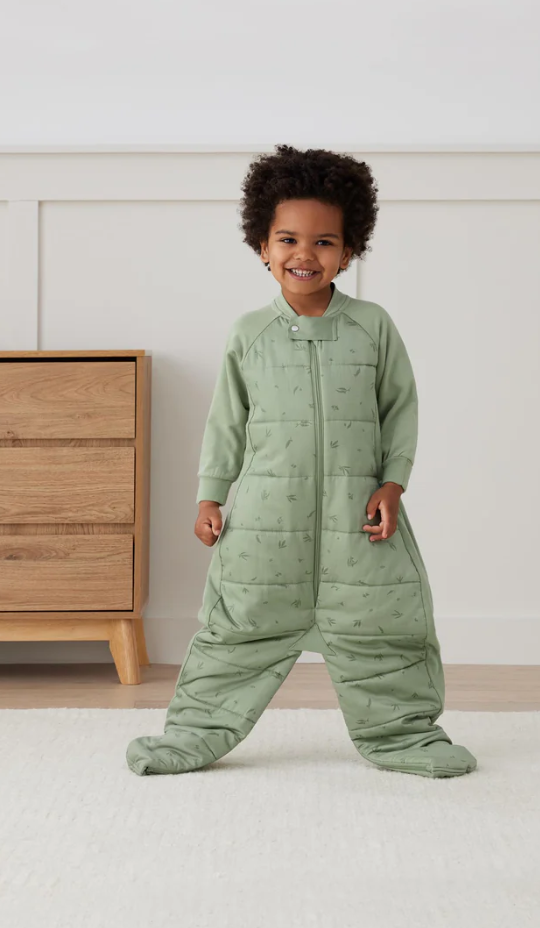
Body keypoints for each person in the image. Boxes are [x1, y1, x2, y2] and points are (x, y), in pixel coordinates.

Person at [126, 144, 477, 779]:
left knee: (383, 630)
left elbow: (400, 409)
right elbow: (226, 421)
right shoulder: (249, 334)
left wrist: (393, 483)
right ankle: (193, 734)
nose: (304, 254)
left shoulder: (372, 327)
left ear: (349, 250)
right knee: (236, 632)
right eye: (288, 239)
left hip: (357, 522)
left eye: (324, 241)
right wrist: (210, 495)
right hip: (266, 525)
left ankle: (405, 735)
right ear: (262, 246)